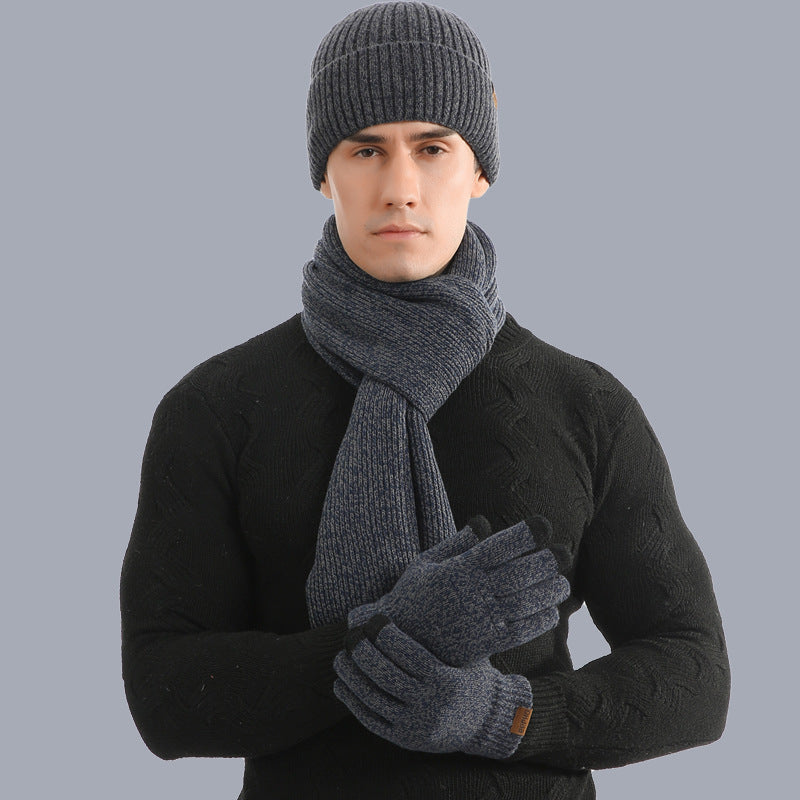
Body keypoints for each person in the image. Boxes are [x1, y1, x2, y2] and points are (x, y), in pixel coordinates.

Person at [120, 3, 730, 798]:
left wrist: (503, 715)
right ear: (324, 172)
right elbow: (165, 696)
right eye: (366, 149)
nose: (400, 188)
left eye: (433, 148)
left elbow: (693, 675)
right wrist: (392, 633)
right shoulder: (217, 407)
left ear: (479, 170)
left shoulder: (586, 405)